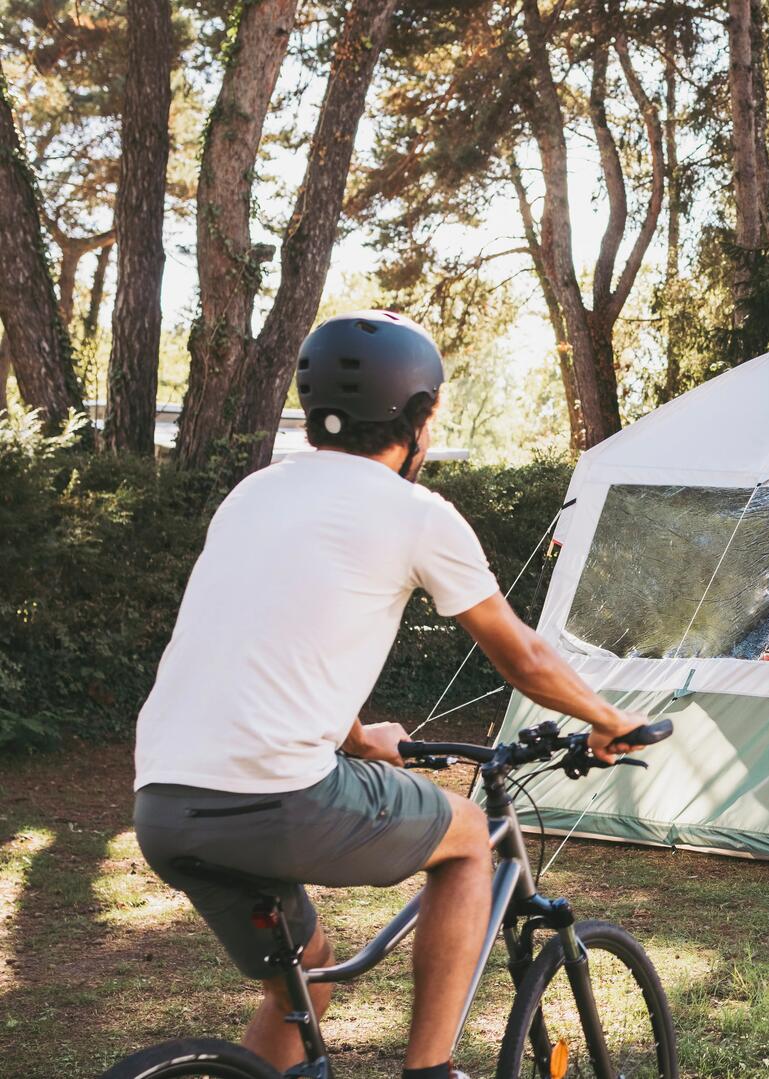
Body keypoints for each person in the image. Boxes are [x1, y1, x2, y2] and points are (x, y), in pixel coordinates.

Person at [132, 311, 650, 1079]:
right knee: (470, 834)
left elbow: (260, 642)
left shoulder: (252, 495)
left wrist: (353, 734)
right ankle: (430, 1070)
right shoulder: (417, 514)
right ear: (418, 416)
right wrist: (612, 721)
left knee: (302, 972)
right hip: (277, 799)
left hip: (164, 803)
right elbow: (525, 655)